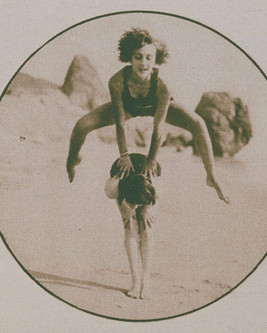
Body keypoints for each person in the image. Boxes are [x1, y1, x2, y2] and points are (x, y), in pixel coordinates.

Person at [66, 28, 229, 203]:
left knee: (198, 123)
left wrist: (152, 159)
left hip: (155, 107)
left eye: (148, 57)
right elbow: (120, 123)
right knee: (81, 125)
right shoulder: (117, 82)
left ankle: (211, 176)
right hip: (128, 108)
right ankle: (72, 159)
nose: (143, 63)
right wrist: (124, 156)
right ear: (129, 57)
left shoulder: (163, 86)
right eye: (138, 57)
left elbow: (158, 127)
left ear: (156, 59)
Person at [105, 153, 160, 299]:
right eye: (134, 203)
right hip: (124, 183)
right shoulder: (113, 188)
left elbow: (153, 197)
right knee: (130, 227)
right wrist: (127, 207)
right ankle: (135, 283)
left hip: (147, 178)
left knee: (147, 228)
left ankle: (146, 283)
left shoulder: (155, 183)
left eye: (138, 204)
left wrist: (147, 208)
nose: (136, 206)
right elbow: (118, 196)